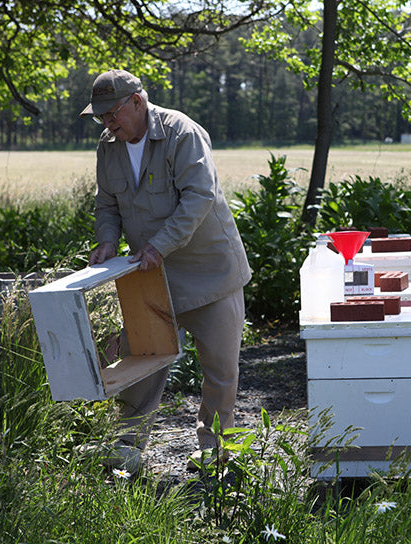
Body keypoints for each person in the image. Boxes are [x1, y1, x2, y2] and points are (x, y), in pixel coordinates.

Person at [79, 69, 251, 471]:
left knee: (220, 368)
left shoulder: (182, 133)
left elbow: (199, 196)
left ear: (137, 102)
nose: (107, 123)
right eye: (101, 117)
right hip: (152, 273)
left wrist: (159, 245)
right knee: (141, 356)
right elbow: (107, 205)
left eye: (112, 114)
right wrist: (107, 239)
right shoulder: (108, 147)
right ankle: (126, 446)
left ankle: (215, 451)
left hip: (211, 271)